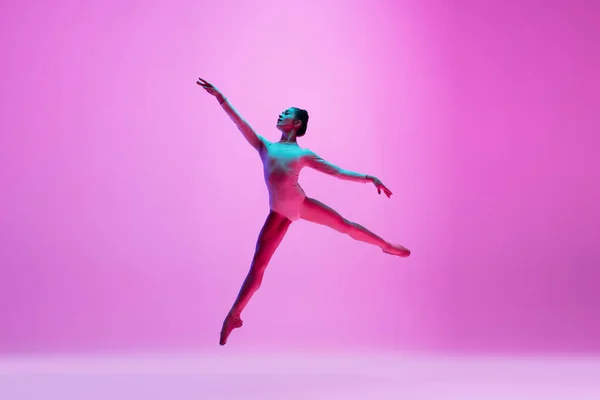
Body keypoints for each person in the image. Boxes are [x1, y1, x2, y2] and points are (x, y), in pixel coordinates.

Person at [196, 77, 411, 346]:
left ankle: (385, 245)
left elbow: (338, 172)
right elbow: (240, 123)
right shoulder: (265, 146)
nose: (280, 114)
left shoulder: (303, 153)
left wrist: (370, 178)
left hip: (300, 204)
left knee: (344, 224)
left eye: (286, 113)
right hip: (279, 213)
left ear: (296, 124)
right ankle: (233, 315)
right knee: (258, 269)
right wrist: (220, 97)